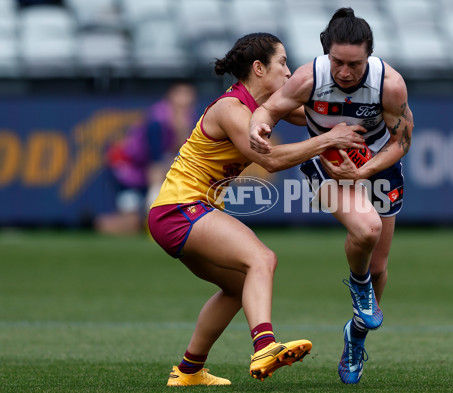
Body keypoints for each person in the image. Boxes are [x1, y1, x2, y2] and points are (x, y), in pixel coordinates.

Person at [147, 32, 366, 386]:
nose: (289, 70)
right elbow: (273, 159)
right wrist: (328, 140)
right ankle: (264, 346)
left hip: (180, 212)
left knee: (239, 286)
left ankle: (188, 371)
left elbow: (313, 113)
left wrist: (365, 113)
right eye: (282, 63)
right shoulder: (231, 109)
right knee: (261, 259)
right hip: (180, 209)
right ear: (259, 68)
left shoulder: (263, 108)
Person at [249, 8, 414, 384]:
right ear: (327, 55)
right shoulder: (310, 77)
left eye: (354, 64)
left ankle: (355, 336)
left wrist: (366, 169)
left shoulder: (389, 84)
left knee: (379, 270)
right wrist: (259, 128)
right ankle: (358, 287)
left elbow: (403, 139)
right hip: (325, 165)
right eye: (338, 61)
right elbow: (268, 110)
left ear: (369, 56)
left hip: (375, 167)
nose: (344, 72)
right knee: (367, 230)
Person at [95, 82, 197, 235]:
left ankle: (150, 222)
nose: (185, 101)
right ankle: (100, 223)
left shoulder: (189, 118)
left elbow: (181, 150)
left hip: (147, 168)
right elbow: (154, 163)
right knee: (133, 219)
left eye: (188, 96)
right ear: (170, 98)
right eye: (180, 95)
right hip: (128, 168)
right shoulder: (157, 119)